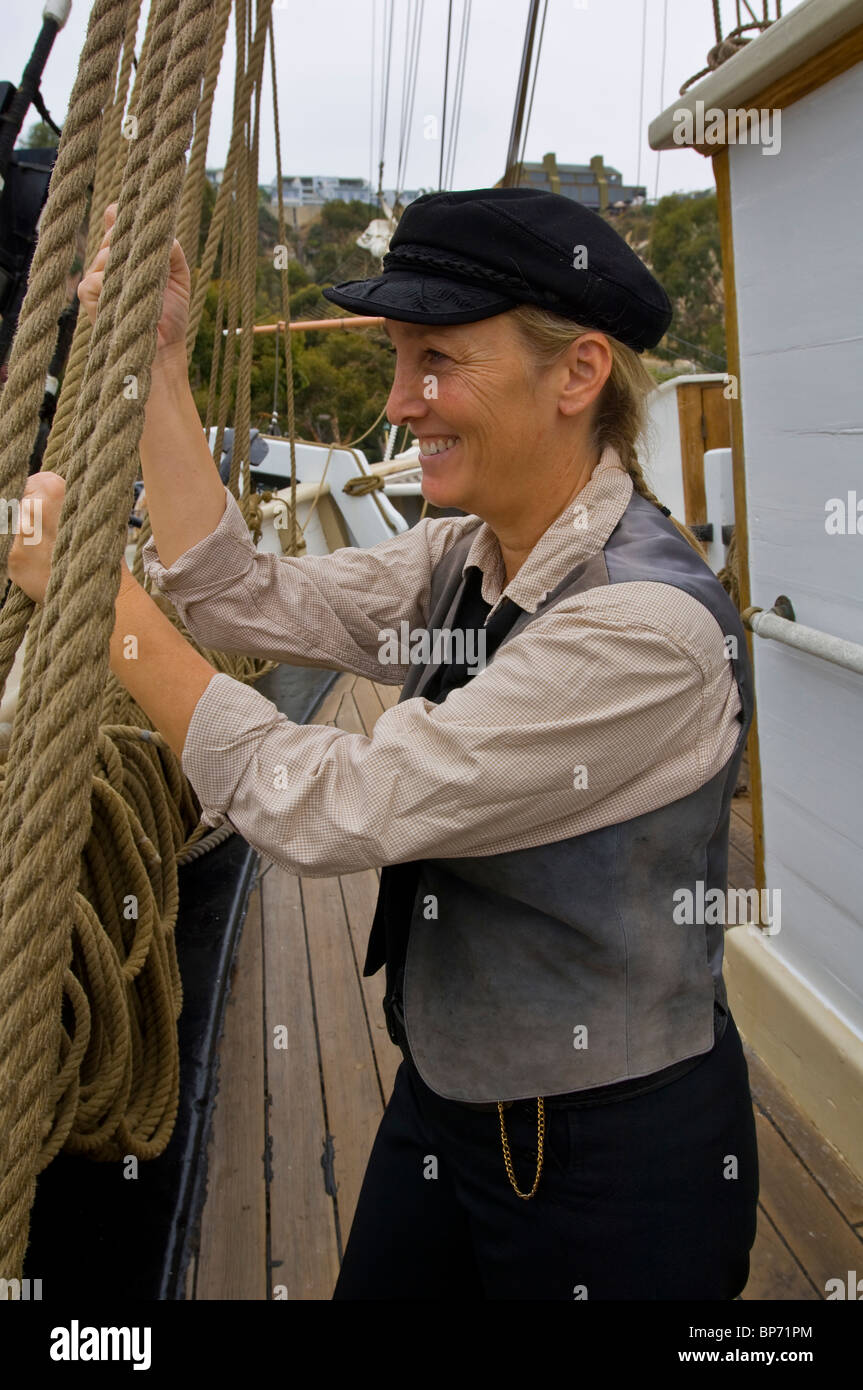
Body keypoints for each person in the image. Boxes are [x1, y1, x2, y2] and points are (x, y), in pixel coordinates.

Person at [10, 187, 759, 1301]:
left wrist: (97, 601)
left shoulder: (642, 629)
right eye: (399, 357)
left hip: (607, 1155)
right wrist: (161, 367)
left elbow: (328, 802)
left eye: (438, 359)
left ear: (577, 373)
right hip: (446, 1096)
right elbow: (233, 590)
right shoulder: (465, 553)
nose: (402, 401)